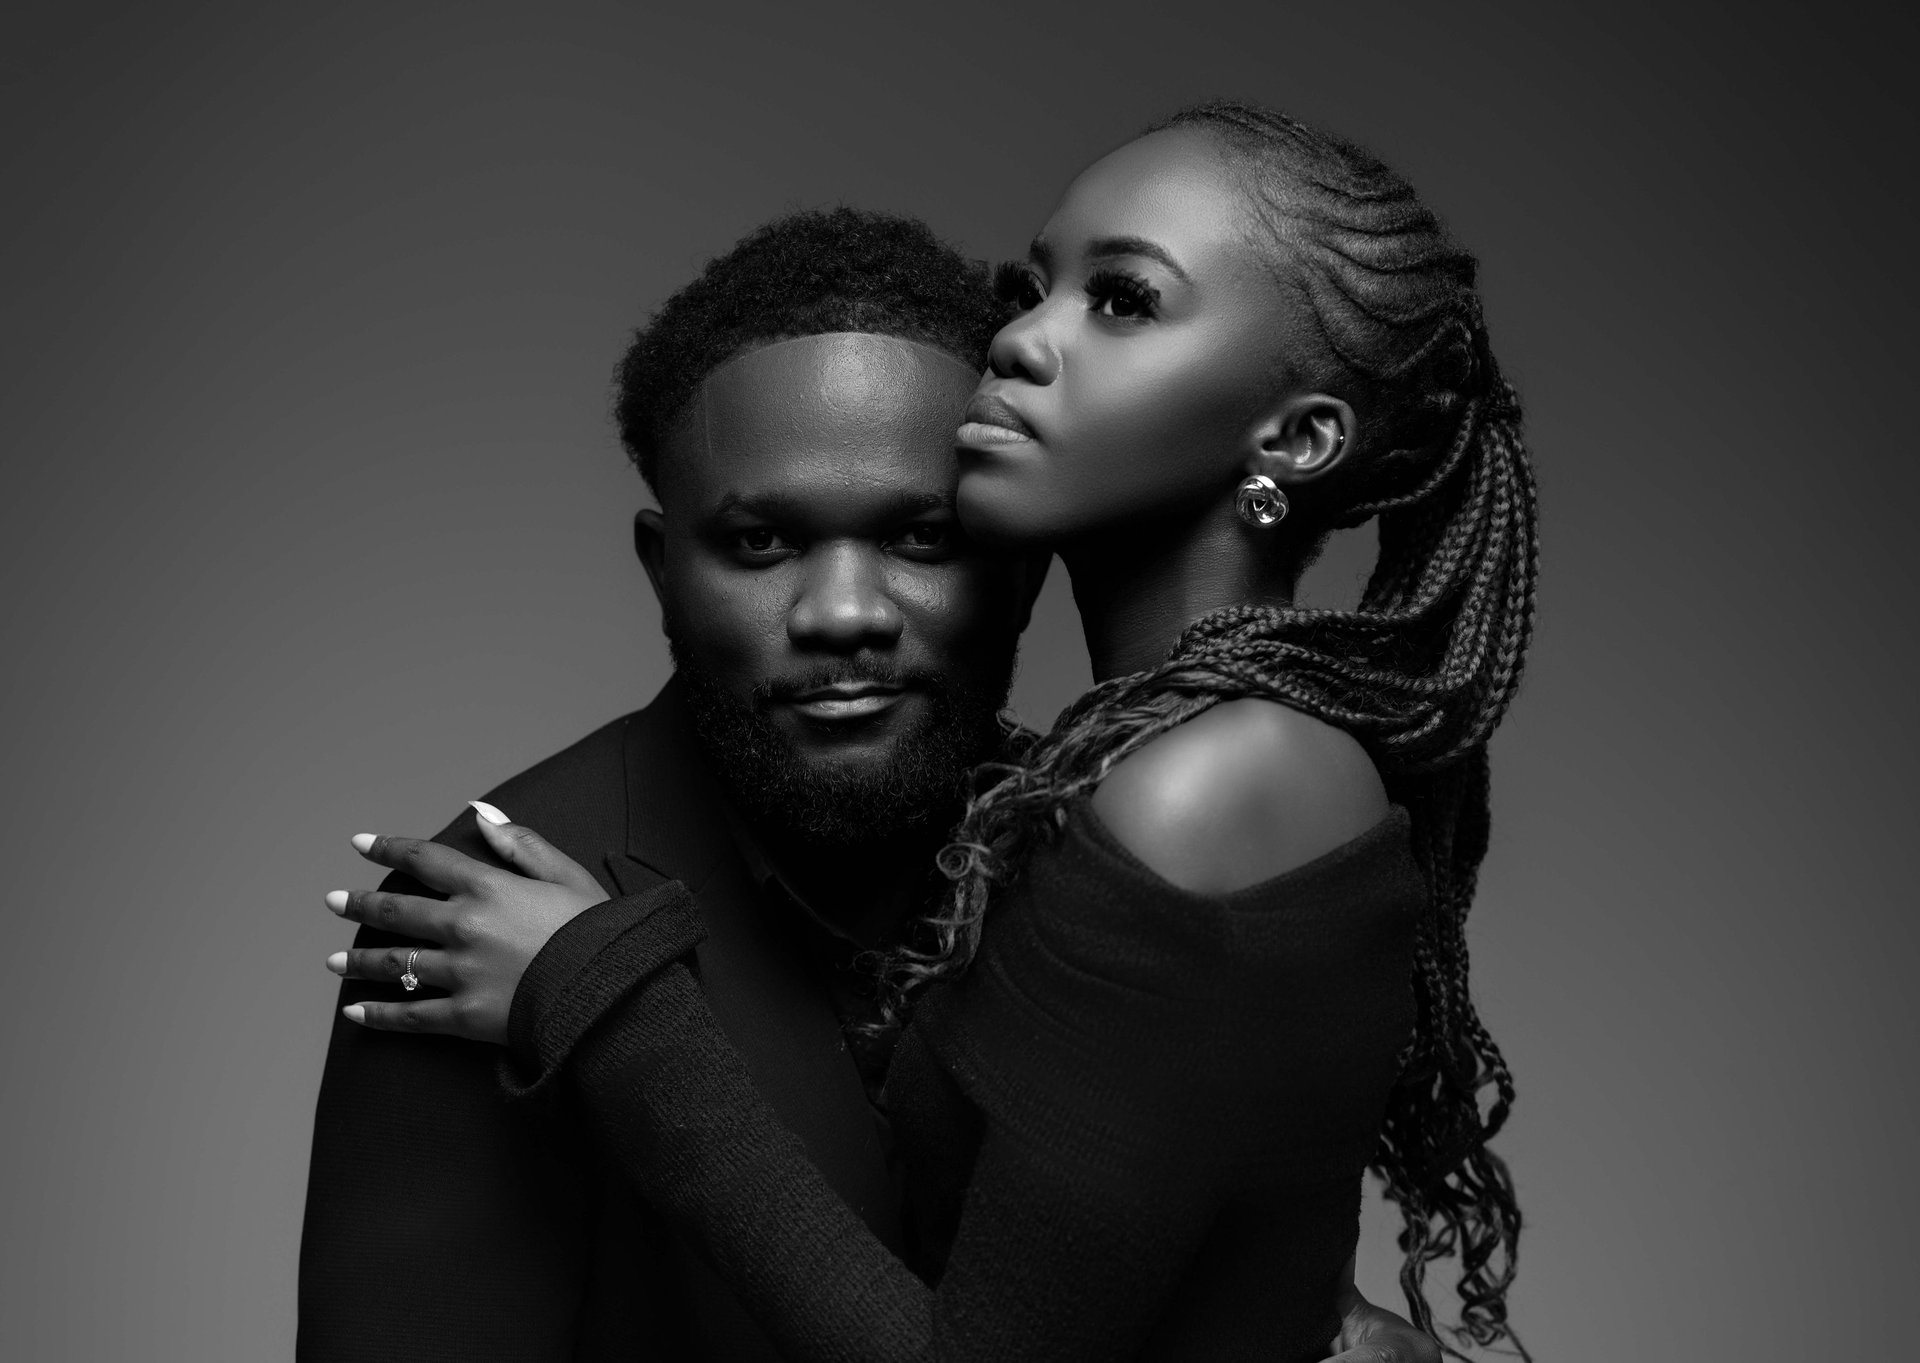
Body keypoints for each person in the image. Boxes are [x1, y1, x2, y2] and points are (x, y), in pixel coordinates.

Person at [300, 206, 1437, 1362]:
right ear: (663, 569)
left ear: (1020, 566)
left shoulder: (1123, 852)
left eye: (921, 539)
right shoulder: (479, 930)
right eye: (762, 544)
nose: (843, 612)